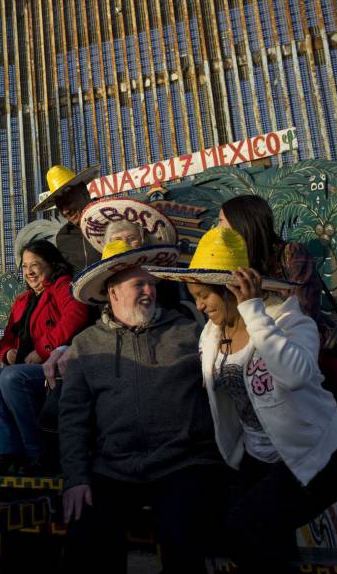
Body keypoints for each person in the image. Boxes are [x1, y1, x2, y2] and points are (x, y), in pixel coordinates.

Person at [149, 227, 337, 574]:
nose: (200, 305)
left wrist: (253, 311)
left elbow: (295, 375)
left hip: (321, 454)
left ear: (231, 290)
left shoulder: (291, 321)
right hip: (259, 458)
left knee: (248, 528)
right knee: (220, 530)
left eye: (204, 295)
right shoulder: (211, 334)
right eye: (195, 296)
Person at [218, 194, 337, 560]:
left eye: (223, 222)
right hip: (251, 345)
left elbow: (302, 312)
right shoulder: (228, 260)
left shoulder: (291, 253)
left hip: (301, 340)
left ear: (245, 223)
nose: (218, 229)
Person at [59, 239, 225, 574]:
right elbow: (73, 419)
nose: (150, 290)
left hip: (182, 461)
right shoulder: (85, 346)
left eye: (152, 283)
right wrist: (76, 478)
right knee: (85, 540)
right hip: (114, 467)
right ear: (113, 292)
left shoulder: (189, 332)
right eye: (139, 284)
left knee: (184, 540)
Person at [0, 240, 89, 475]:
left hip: (56, 367)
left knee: (11, 377)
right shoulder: (22, 301)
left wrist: (42, 351)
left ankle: (39, 453)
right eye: (24, 266)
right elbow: (8, 338)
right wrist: (6, 353)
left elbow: (76, 316)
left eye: (35, 265)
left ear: (51, 264)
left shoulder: (63, 286)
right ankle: (6, 451)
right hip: (22, 367)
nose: (29, 272)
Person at [31, 164, 103, 273]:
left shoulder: (115, 217)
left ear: (84, 192)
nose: (65, 211)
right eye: (60, 207)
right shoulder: (63, 238)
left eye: (68, 202)